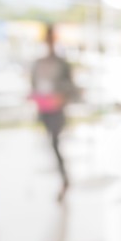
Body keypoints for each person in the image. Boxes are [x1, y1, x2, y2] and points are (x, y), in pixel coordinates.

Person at [30, 24, 77, 202]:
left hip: (57, 110)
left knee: (55, 143)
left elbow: (72, 89)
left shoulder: (62, 64)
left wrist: (62, 97)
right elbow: (33, 85)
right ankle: (63, 177)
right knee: (50, 143)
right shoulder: (38, 63)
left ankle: (64, 179)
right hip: (43, 109)